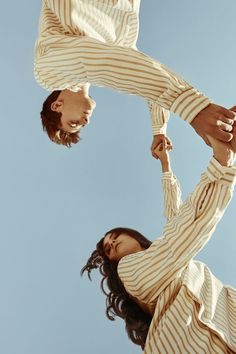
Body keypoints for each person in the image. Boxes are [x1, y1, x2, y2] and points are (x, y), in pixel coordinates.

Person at [82, 130, 236, 353]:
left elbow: (177, 221)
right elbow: (179, 238)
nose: (112, 244)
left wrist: (166, 165)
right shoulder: (129, 271)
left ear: (132, 235)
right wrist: (222, 163)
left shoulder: (171, 256)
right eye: (108, 248)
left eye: (115, 237)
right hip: (186, 342)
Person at [34, 1, 235, 148]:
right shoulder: (112, 46)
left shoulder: (48, 72)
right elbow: (140, 70)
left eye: (73, 122)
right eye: (81, 126)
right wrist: (159, 130)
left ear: (57, 105)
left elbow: (108, 63)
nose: (85, 122)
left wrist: (193, 108)